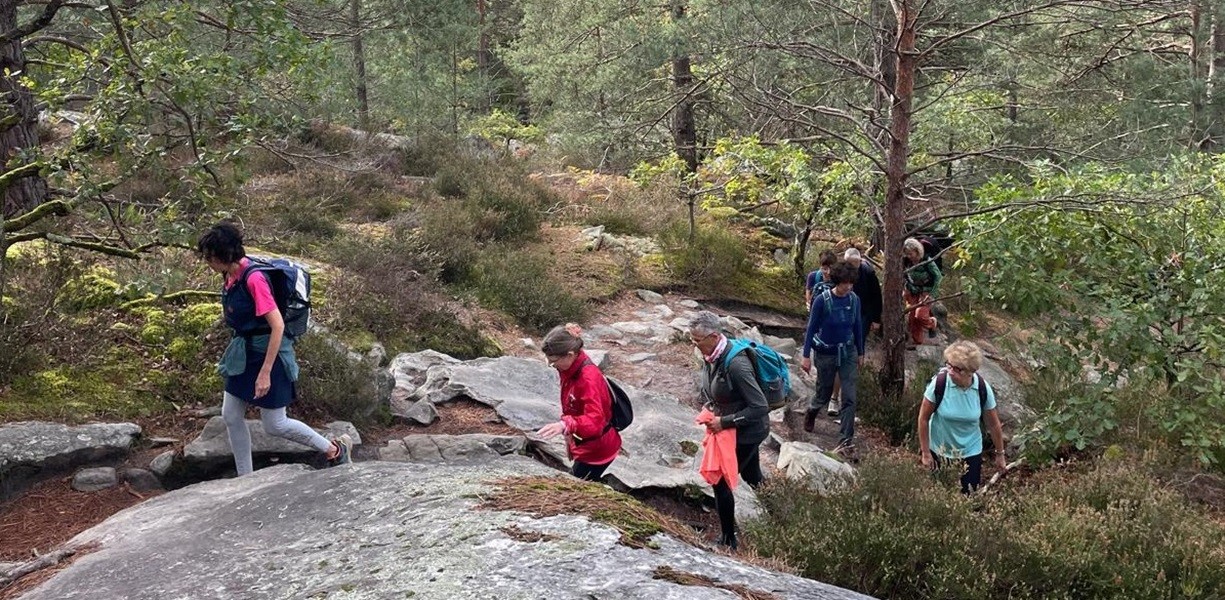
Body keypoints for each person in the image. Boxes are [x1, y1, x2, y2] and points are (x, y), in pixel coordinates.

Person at [197, 222, 351, 476]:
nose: (208, 263)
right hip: (243, 353)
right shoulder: (231, 274)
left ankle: (335, 449)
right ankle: (245, 477)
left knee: (275, 424)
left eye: (210, 257)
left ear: (223, 256)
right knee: (231, 415)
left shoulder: (254, 279)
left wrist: (266, 372)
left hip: (269, 354)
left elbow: (277, 326)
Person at [690, 310, 769, 551]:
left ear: (714, 336)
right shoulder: (713, 355)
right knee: (753, 475)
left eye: (697, 340)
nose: (693, 345)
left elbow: (760, 406)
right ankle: (784, 512)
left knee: (721, 482)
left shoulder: (736, 364)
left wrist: (724, 422)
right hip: (735, 428)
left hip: (747, 432)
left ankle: (728, 540)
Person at [916, 341, 1006, 494]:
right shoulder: (939, 384)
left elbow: (994, 425)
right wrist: (925, 453)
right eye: (949, 365)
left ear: (971, 371)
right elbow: (923, 418)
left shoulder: (982, 389)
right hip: (939, 450)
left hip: (970, 452)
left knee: (968, 496)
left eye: (957, 369)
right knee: (938, 496)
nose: (950, 371)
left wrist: (1000, 454)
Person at [536, 323, 622, 482]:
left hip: (598, 450)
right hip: (587, 444)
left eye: (554, 361)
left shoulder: (588, 378)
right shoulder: (571, 367)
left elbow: (595, 421)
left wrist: (565, 425)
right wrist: (570, 435)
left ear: (569, 354)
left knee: (578, 484)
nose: (551, 365)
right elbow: (574, 405)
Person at [800, 261, 864, 457]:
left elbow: (858, 326)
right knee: (824, 393)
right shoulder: (822, 300)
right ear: (837, 281)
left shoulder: (854, 300)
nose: (848, 287)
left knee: (849, 397)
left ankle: (846, 440)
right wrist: (805, 355)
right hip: (825, 352)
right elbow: (811, 328)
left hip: (848, 352)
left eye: (851, 284)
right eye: (845, 283)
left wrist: (861, 352)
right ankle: (812, 410)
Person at [902, 237, 942, 348]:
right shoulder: (906, 261)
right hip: (912, 290)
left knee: (920, 315)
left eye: (911, 253)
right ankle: (917, 340)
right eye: (907, 254)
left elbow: (938, 276)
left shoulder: (927, 261)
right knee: (912, 317)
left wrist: (932, 293)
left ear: (917, 250)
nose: (909, 256)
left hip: (926, 291)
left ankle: (932, 323)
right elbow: (904, 274)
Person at [843, 248, 882, 337]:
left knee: (859, 339)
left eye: (854, 264)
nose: (851, 267)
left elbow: (876, 296)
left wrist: (876, 319)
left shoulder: (868, 272)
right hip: (846, 311)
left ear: (860, 261)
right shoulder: (842, 271)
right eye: (849, 264)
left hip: (863, 312)